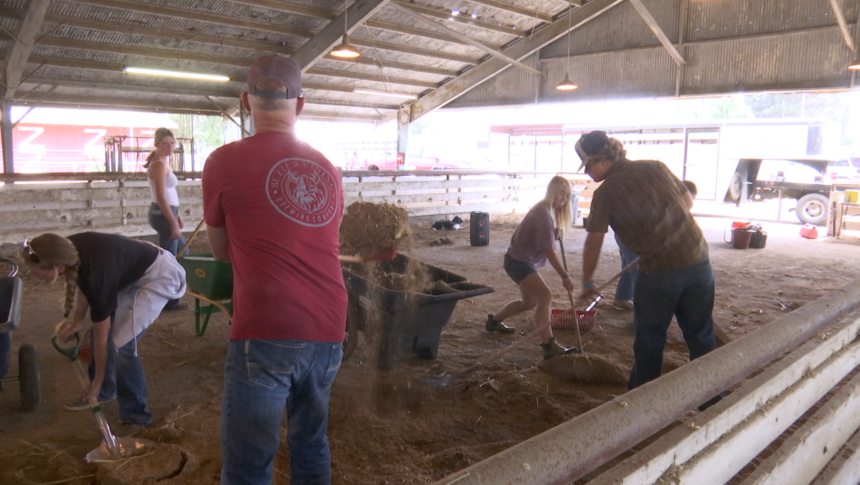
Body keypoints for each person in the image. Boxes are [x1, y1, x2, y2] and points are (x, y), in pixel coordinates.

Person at [202, 55, 346, 485]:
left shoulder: (222, 162)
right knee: (311, 442)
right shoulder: (328, 169)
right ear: (300, 106)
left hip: (266, 325)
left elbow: (221, 252)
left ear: (247, 101)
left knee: (249, 459)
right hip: (329, 326)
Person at [575, 131, 716, 392]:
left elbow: (594, 241)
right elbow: (687, 201)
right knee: (701, 336)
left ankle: (643, 404)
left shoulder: (605, 194)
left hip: (658, 273)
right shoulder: (656, 167)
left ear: (601, 159)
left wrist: (588, 282)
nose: (588, 173)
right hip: (699, 261)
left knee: (650, 341)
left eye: (588, 166)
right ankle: (711, 398)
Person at [22, 232, 185, 424]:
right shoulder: (67, 249)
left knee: (122, 344)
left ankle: (136, 416)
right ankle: (105, 392)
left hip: (158, 275)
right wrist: (77, 321)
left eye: (36, 269)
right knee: (101, 330)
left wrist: (96, 382)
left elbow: (101, 333)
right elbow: (85, 284)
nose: (31, 273)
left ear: (60, 267)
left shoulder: (95, 272)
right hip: (127, 269)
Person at [485, 175, 579, 360]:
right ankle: (548, 345)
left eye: (567, 195)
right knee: (545, 295)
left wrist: (554, 232)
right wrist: (564, 276)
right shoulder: (543, 213)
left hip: (517, 260)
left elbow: (542, 236)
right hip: (518, 262)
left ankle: (494, 321)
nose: (563, 199)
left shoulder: (547, 211)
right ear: (552, 191)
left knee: (529, 303)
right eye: (561, 193)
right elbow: (549, 251)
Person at [611, 180, 698, 312]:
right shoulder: (666, 201)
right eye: (690, 199)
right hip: (630, 234)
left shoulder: (667, 199)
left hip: (625, 232)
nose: (690, 204)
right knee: (638, 270)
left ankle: (622, 298)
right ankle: (641, 311)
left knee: (628, 266)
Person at [146, 127, 186, 310]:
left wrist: (176, 217)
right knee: (170, 260)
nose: (170, 147)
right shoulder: (159, 165)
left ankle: (171, 298)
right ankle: (167, 300)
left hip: (167, 213)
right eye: (165, 143)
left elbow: (168, 194)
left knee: (182, 254)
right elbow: (162, 198)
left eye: (172, 143)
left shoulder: (161, 162)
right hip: (163, 214)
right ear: (157, 144)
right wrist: (173, 222)